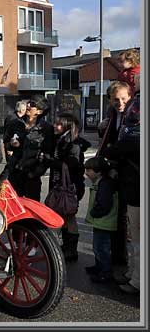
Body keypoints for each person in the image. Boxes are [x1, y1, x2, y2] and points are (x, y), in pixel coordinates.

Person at [99, 80, 140, 293]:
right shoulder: (114, 116)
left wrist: (108, 156)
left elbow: (125, 144)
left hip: (131, 175)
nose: (121, 103)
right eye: (116, 100)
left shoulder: (135, 117)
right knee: (122, 221)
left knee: (134, 228)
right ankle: (124, 266)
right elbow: (110, 139)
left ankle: (131, 272)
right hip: (121, 174)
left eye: (124, 99)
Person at [47, 112, 90, 261]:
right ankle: (67, 246)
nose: (55, 125)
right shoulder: (62, 139)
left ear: (66, 126)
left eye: (58, 123)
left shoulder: (74, 143)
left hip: (71, 185)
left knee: (70, 216)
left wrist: (50, 161)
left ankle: (71, 250)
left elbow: (71, 164)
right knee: (64, 215)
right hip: (64, 184)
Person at [8, 96, 54, 202]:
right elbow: (8, 143)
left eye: (32, 105)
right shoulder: (16, 123)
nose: (28, 106)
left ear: (39, 111)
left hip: (31, 177)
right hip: (15, 173)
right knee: (13, 205)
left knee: (32, 208)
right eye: (29, 102)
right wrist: (12, 145)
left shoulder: (46, 129)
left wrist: (35, 173)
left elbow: (47, 154)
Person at [84, 157, 119, 283]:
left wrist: (95, 213)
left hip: (104, 221)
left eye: (89, 170)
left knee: (101, 247)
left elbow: (104, 204)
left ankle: (105, 272)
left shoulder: (104, 184)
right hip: (101, 221)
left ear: (98, 172)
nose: (86, 172)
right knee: (98, 246)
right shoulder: (102, 182)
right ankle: (99, 267)